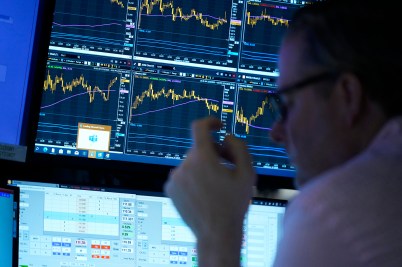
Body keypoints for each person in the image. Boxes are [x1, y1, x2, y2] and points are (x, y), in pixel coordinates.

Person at [164, 0, 402, 266]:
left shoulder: (332, 215)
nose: (275, 133)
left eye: (287, 105)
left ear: (347, 95)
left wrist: (217, 232)